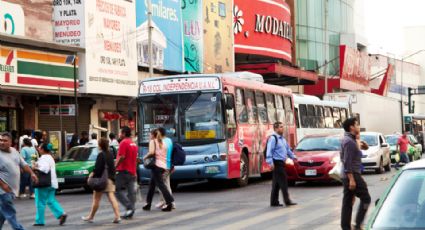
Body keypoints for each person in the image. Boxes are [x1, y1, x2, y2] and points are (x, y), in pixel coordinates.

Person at [0, 132, 38, 230]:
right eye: (0, 140)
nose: (2, 142)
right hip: (3, 190)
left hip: (12, 190)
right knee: (10, 212)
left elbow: (23, 164)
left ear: (10, 142)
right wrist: (3, 185)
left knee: (3, 214)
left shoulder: (14, 151)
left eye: (5, 140)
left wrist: (32, 173)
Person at [340, 118, 371, 230]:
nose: (359, 126)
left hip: (351, 174)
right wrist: (352, 179)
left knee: (347, 202)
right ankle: (358, 224)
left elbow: (361, 149)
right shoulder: (349, 141)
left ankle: (346, 227)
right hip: (351, 174)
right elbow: (346, 161)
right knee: (366, 198)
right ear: (351, 127)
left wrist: (362, 144)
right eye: (357, 124)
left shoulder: (351, 140)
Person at [82, 138, 121, 224]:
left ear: (100, 145)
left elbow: (98, 169)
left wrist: (91, 175)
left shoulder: (101, 155)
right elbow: (112, 167)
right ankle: (117, 216)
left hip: (101, 179)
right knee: (112, 197)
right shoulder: (110, 154)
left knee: (96, 199)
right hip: (110, 178)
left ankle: (91, 217)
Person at [33, 142, 67, 226]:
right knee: (50, 200)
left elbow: (45, 169)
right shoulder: (50, 157)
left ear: (43, 149)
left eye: (40, 148)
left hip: (43, 183)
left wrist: (35, 167)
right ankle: (61, 213)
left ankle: (39, 221)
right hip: (52, 183)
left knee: (40, 202)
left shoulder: (43, 158)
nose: (38, 149)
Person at [265, 122, 297, 207]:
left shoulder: (282, 139)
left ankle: (274, 202)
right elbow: (269, 152)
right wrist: (271, 163)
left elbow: (288, 150)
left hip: (282, 163)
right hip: (277, 163)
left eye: (283, 127)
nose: (282, 128)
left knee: (276, 184)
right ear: (275, 129)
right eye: (280, 127)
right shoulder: (273, 138)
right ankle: (287, 201)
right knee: (283, 182)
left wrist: (294, 157)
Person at [143, 128, 175, 212]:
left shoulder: (153, 142)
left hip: (156, 166)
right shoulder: (162, 142)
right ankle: (148, 203)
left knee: (161, 185)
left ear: (153, 135)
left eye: (150, 134)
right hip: (163, 165)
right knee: (152, 184)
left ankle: (169, 203)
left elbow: (151, 152)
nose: (149, 136)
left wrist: (144, 157)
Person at [115, 126, 138, 219]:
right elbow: (135, 158)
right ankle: (130, 212)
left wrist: (115, 166)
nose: (119, 134)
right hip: (132, 171)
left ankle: (129, 207)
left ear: (124, 133)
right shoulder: (133, 143)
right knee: (131, 192)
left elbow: (122, 157)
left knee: (117, 190)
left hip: (123, 170)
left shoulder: (123, 142)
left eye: (120, 132)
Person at [154, 128, 175, 209]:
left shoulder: (161, 141)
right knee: (166, 185)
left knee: (163, 185)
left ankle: (169, 202)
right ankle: (165, 201)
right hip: (169, 165)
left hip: (163, 165)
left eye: (157, 132)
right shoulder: (169, 140)